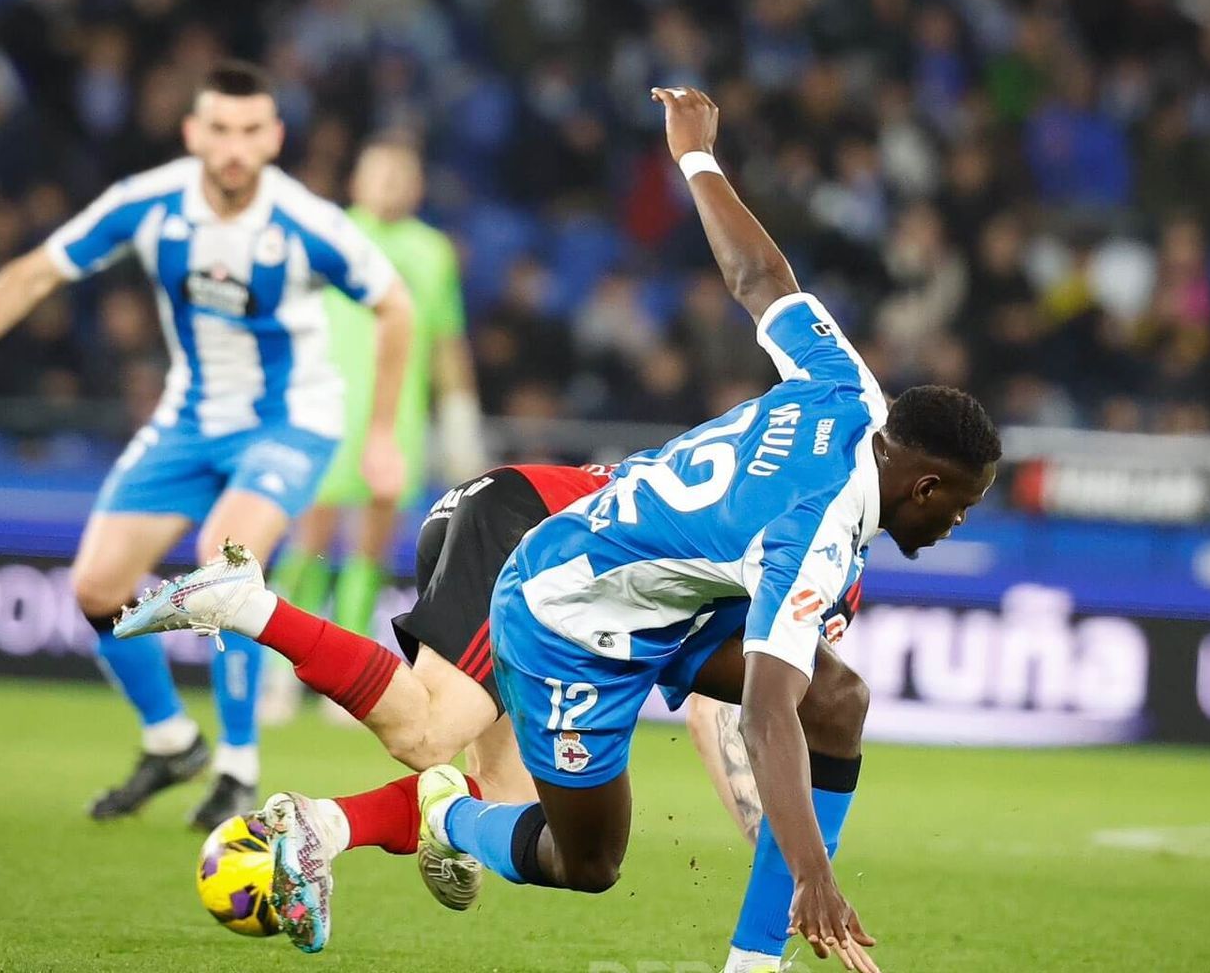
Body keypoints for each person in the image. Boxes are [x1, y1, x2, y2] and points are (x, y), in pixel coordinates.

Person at [411, 87, 997, 973]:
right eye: (959, 502)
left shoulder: (850, 389)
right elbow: (764, 718)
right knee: (588, 862)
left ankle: (751, 966)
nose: (957, 520)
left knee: (837, 700)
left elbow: (761, 280)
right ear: (921, 483)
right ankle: (449, 814)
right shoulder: (816, 530)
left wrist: (696, 156)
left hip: (669, 600)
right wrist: (813, 874)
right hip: (565, 615)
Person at [0, 60, 415, 830]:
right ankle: (171, 741)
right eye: (220, 130)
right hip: (190, 419)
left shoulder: (304, 221)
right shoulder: (149, 203)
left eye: (250, 131)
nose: (234, 147)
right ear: (194, 133)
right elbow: (40, 270)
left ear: (273, 137)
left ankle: (239, 764)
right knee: (97, 587)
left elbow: (394, 307)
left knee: (224, 554)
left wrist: (379, 437)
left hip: (290, 421)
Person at [115, 456, 865, 954]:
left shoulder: (790, 483)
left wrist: (793, 862)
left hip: (513, 521)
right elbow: (733, 716)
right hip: (532, 540)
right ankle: (248, 606)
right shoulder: (824, 563)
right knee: (428, 730)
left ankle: (326, 825)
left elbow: (719, 709)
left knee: (509, 804)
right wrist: (799, 864)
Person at [267, 142, 484, 683]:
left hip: (397, 419)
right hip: (325, 411)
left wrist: (460, 418)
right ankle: (278, 669)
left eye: (400, 174)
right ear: (356, 181)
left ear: (417, 185)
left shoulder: (433, 251)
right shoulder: (327, 234)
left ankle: (349, 673)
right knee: (311, 537)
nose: (389, 184)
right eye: (378, 173)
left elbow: (446, 341)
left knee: (371, 545)